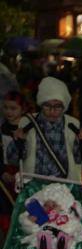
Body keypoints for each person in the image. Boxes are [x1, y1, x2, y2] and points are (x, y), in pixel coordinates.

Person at [7, 76, 82, 183]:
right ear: (41, 104)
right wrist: (17, 142)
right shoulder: (27, 123)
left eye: (58, 106)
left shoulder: (72, 125)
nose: (52, 111)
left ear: (64, 106)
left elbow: (81, 160)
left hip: (63, 186)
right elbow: (13, 160)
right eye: (47, 105)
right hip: (33, 185)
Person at [1, 91, 26, 235]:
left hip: (24, 174)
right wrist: (2, 172)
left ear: (22, 109)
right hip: (6, 174)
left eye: (13, 108)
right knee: (5, 207)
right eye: (6, 107)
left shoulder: (29, 129)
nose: (9, 112)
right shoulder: (2, 129)